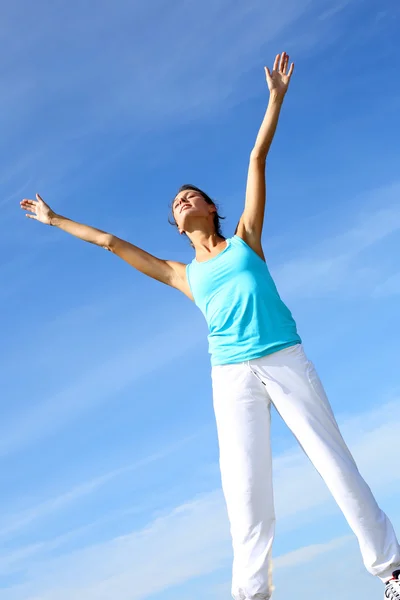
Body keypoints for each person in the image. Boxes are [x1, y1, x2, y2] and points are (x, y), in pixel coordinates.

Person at [20, 52, 400, 600]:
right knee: (245, 494)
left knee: (332, 461)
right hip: (230, 377)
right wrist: (54, 220)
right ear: (177, 224)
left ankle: (391, 570)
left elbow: (257, 158)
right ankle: (252, 596)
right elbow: (110, 242)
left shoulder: (247, 238)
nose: (183, 201)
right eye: (176, 203)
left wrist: (274, 101)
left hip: (282, 357)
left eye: (190, 195)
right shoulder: (181, 274)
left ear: (210, 208)